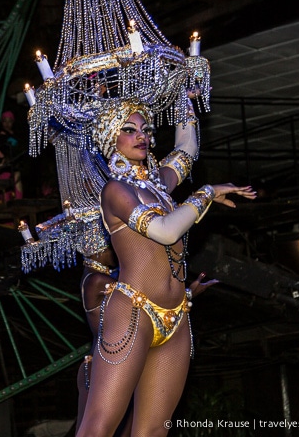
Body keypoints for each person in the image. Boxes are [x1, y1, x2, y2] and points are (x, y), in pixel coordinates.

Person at [75, 98, 256, 437]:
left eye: (145, 129)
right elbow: (166, 231)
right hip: (133, 311)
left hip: (177, 314)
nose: (141, 136)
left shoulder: (160, 184)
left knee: (154, 430)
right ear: (109, 138)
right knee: (98, 426)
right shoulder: (116, 191)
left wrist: (185, 94)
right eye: (129, 130)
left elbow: (187, 147)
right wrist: (206, 193)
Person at [76, 245, 218, 436]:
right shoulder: (95, 280)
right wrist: (185, 293)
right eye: (109, 247)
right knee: (100, 428)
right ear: (95, 251)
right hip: (102, 367)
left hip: (129, 360)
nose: (115, 251)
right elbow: (141, 291)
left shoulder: (107, 278)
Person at [0, 110, 23, 201]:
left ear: (12, 122)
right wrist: (0, 155)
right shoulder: (0, 134)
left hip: (12, 166)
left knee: (17, 177)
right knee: (5, 188)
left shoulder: (15, 136)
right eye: (5, 121)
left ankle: (18, 201)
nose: (7, 124)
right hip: (2, 167)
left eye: (9, 121)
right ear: (2, 122)